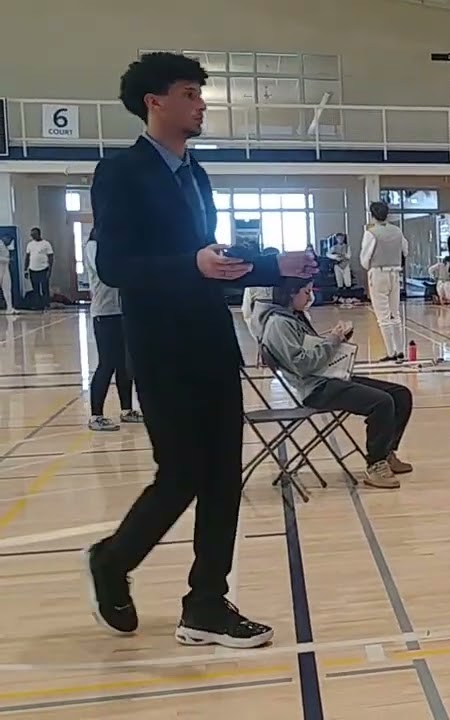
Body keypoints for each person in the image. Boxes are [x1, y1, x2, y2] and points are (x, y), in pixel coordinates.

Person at [85, 52, 317, 649]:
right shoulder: (121, 172)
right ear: (154, 102)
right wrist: (190, 263)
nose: (201, 104)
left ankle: (206, 603)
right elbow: (114, 265)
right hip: (160, 348)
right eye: (189, 93)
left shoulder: (197, 174)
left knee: (223, 477)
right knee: (182, 472)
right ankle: (113, 560)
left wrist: (276, 266)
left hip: (212, 342)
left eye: (199, 94)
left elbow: (213, 263)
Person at [259, 279, 413, 489]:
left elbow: (311, 349)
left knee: (400, 394)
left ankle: (386, 452)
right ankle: (375, 464)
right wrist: (332, 340)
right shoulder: (279, 324)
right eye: (306, 292)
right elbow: (303, 365)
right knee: (381, 402)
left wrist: (337, 338)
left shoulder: (293, 317)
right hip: (315, 388)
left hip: (328, 377)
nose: (310, 297)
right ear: (291, 293)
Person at [84, 230, 143, 432]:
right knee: (107, 363)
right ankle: (96, 416)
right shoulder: (93, 247)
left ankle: (127, 409)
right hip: (104, 313)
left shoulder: (115, 248)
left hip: (122, 312)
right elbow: (107, 273)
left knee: (124, 364)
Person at [360, 201, 409, 362]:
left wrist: (370, 266)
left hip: (378, 273)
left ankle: (391, 352)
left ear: (372, 215)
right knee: (395, 314)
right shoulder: (397, 231)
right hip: (395, 274)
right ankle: (400, 350)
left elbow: (365, 259)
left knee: (383, 317)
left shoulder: (371, 233)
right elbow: (405, 250)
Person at [25, 228, 53, 310]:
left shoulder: (46, 244)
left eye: (34, 234)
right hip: (32, 269)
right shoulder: (30, 244)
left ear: (38, 234)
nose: (32, 236)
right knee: (35, 288)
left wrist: (50, 269)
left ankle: (46, 304)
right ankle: (38, 305)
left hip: (43, 269)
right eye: (31, 234)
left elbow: (51, 257)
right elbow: (27, 257)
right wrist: (25, 269)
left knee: (44, 287)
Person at [0, 231, 14, 314]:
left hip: (5, 269)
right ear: (5, 238)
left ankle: (10, 308)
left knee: (7, 288)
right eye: (9, 240)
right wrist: (8, 260)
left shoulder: (5, 247)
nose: (9, 243)